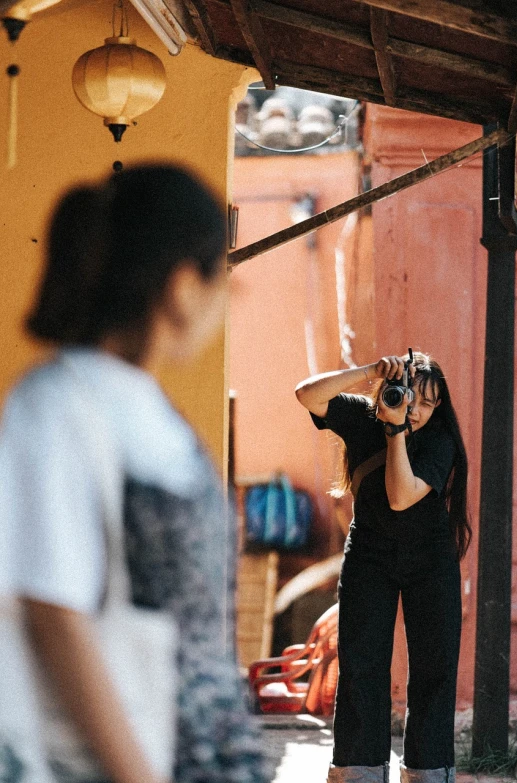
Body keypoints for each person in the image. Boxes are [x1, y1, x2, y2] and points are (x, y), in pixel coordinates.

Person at [0, 164, 271, 783]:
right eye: (222, 281)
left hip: (207, 752)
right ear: (181, 284)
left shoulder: (147, 407)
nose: (226, 303)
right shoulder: (56, 404)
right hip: (131, 760)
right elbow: (54, 613)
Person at [295, 353, 471, 783]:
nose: (416, 410)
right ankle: (358, 772)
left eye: (429, 404)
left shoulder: (439, 440)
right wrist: (370, 372)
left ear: (438, 408)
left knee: (434, 669)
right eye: (412, 398)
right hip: (370, 556)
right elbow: (306, 394)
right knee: (361, 665)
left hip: (430, 560)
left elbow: (400, 496)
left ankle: (428, 773)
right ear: (396, 391)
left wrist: (396, 432)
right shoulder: (364, 417)